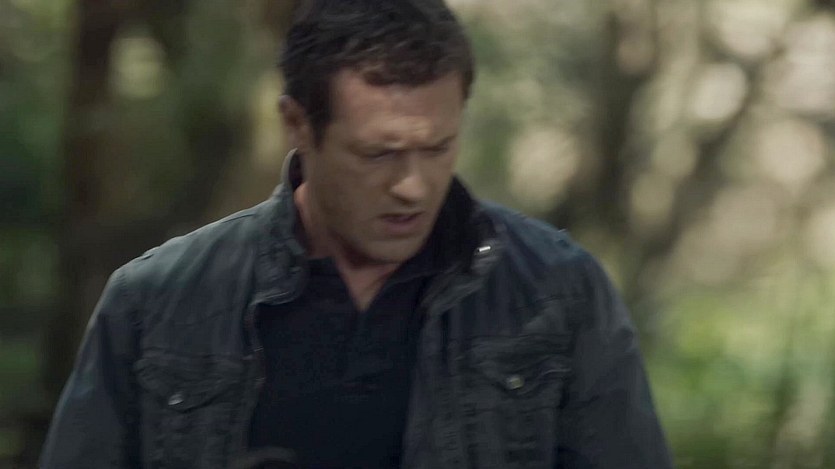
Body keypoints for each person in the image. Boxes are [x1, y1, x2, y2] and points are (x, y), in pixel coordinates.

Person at [40, 0, 673, 468]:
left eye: (438, 148)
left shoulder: (558, 291)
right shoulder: (156, 302)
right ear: (297, 125)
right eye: (378, 154)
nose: (413, 187)